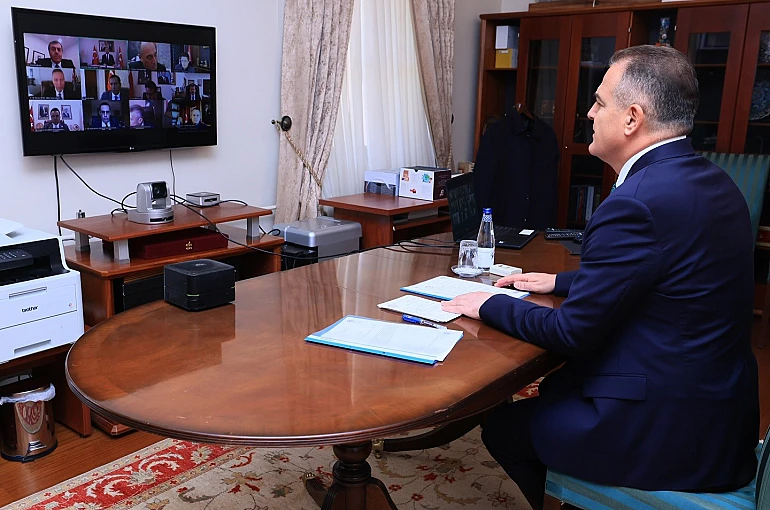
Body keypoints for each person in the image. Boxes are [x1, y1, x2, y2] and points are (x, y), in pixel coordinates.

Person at [442, 45, 759, 510]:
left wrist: (485, 303)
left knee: (508, 429)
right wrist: (560, 282)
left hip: (662, 431)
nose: (589, 113)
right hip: (718, 415)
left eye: (599, 102)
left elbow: (572, 333)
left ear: (632, 118)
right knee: (549, 394)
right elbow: (674, 270)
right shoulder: (714, 181)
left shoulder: (637, 202)